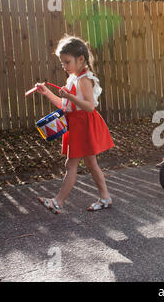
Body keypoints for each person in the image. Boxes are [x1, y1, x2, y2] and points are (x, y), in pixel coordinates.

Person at [35, 35, 115, 214]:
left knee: (71, 165)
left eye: (66, 62)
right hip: (77, 124)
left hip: (84, 124)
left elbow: (89, 107)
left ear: (80, 59)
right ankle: (105, 197)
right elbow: (65, 106)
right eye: (62, 63)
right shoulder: (74, 78)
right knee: (91, 164)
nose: (64, 66)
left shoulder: (84, 79)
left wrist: (69, 96)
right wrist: (47, 93)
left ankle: (58, 202)